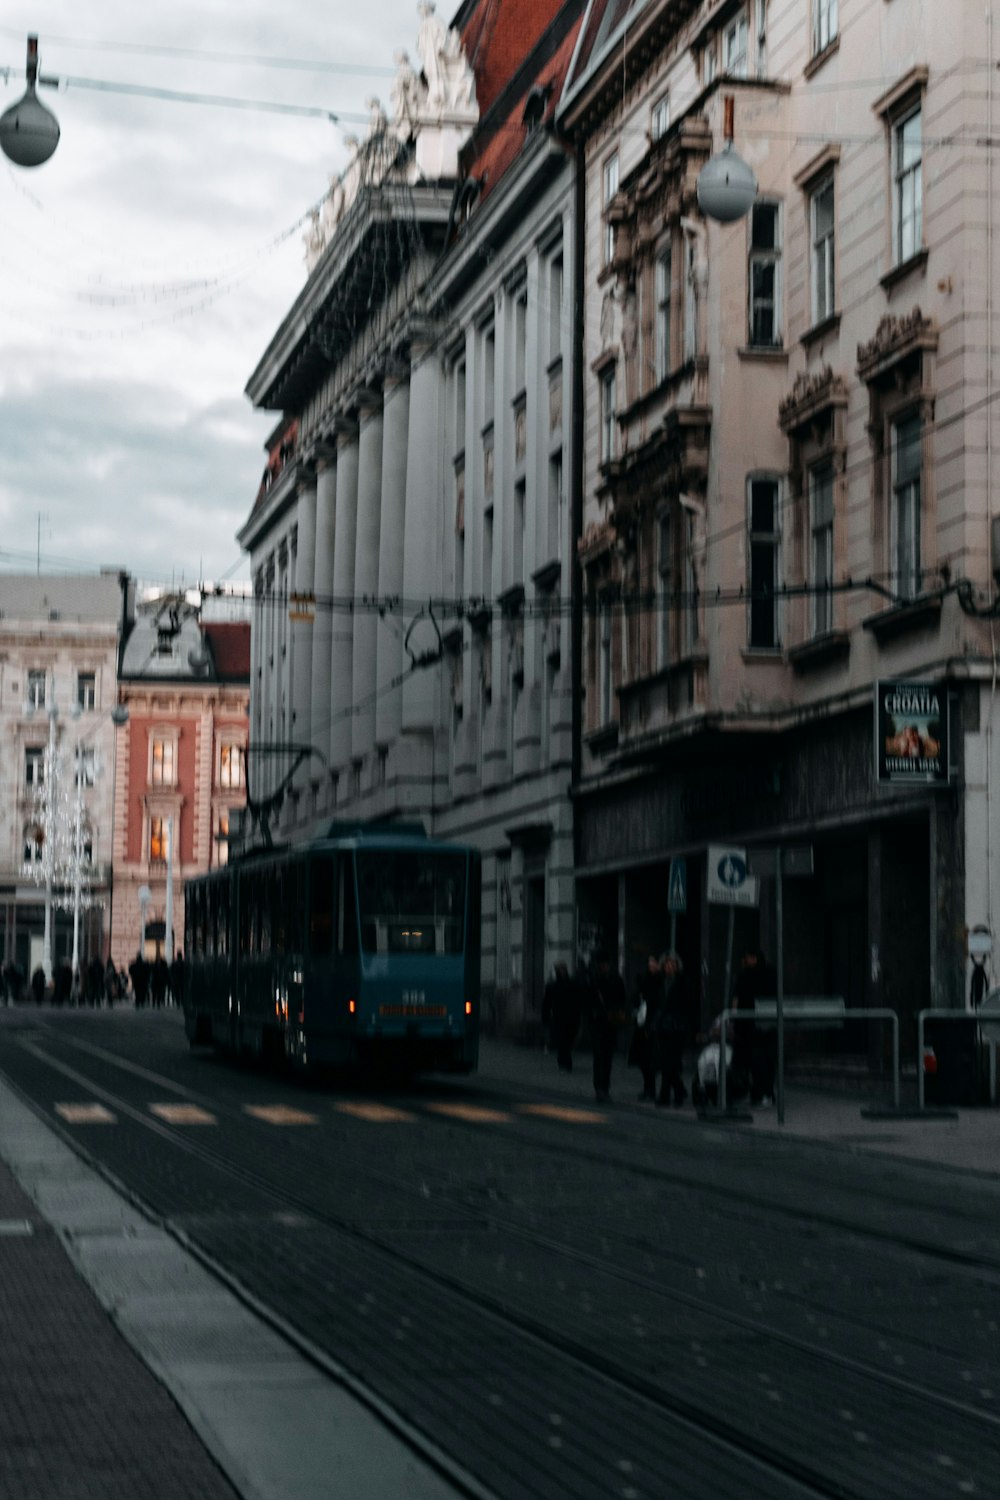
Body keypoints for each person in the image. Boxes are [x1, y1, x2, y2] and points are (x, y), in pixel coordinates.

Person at [732, 947, 776, 1105]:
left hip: (752, 1025)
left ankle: (763, 1093)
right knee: (763, 1060)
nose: (745, 961)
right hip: (764, 1024)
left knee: (757, 1060)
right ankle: (762, 1092)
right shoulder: (768, 973)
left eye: (748, 957)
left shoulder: (746, 976)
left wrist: (735, 1018)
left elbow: (738, 999)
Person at [589, 951, 628, 1103]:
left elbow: (622, 998)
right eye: (602, 964)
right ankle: (599, 1088)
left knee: (607, 1056)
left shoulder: (615, 979)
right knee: (600, 1055)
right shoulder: (593, 980)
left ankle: (604, 1087)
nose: (604, 967)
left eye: (606, 964)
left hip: (611, 1022)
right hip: (597, 1022)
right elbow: (585, 998)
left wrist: (618, 1012)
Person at [655, 951, 688, 1107]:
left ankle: (666, 1095)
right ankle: (679, 1091)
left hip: (677, 1027)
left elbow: (688, 1006)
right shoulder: (660, 982)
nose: (669, 967)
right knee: (667, 1062)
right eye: (667, 964)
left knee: (671, 1062)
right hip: (663, 1027)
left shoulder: (682, 983)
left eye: (672, 964)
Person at [630, 954, 663, 1101]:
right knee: (643, 1059)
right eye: (649, 962)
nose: (651, 965)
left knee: (650, 1059)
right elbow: (637, 997)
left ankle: (651, 1089)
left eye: (653, 962)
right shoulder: (646, 979)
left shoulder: (660, 981)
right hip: (643, 1024)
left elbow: (657, 1003)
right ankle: (648, 1088)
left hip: (652, 1025)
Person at [542, 962, 581, 1072]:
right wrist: (545, 1017)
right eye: (559, 970)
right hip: (559, 1018)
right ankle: (565, 1062)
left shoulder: (573, 984)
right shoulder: (552, 986)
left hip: (573, 1017)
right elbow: (547, 1003)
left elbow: (579, 1000)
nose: (562, 972)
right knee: (562, 1040)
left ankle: (564, 1060)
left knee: (569, 1040)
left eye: (563, 969)